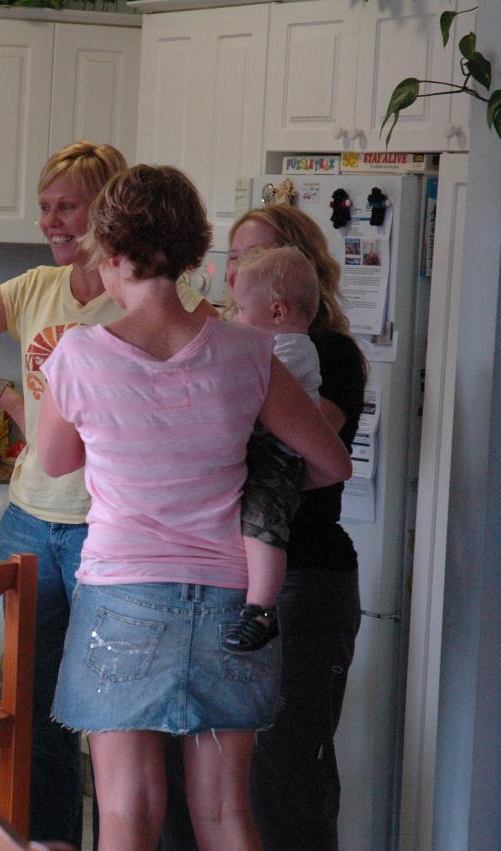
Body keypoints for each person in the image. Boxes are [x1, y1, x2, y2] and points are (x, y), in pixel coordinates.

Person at [36, 165, 352, 851]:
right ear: (192, 253)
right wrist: (261, 476)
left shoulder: (79, 354)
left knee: (128, 810)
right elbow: (332, 461)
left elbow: (55, 459)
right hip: (231, 603)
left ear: (111, 249)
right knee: (224, 811)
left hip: (122, 593)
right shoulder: (249, 351)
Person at [0, 141, 213, 844]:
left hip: (111, 533)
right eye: (45, 207)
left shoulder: (148, 294)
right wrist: (10, 399)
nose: (52, 221)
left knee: (120, 723)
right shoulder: (32, 290)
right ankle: (49, 841)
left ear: (105, 210)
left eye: (66, 206)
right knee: (36, 716)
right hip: (30, 522)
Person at [159, 204, 368, 851]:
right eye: (235, 257)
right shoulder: (237, 344)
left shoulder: (325, 351)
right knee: (195, 770)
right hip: (221, 579)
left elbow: (302, 444)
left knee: (282, 773)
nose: (237, 270)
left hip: (303, 578)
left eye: (254, 256)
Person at [225, 246, 323, 652]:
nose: (234, 318)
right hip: (261, 452)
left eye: (241, 309)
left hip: (281, 460)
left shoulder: (291, 351)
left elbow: (253, 396)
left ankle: (261, 609)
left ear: (278, 313)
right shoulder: (269, 346)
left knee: (263, 521)